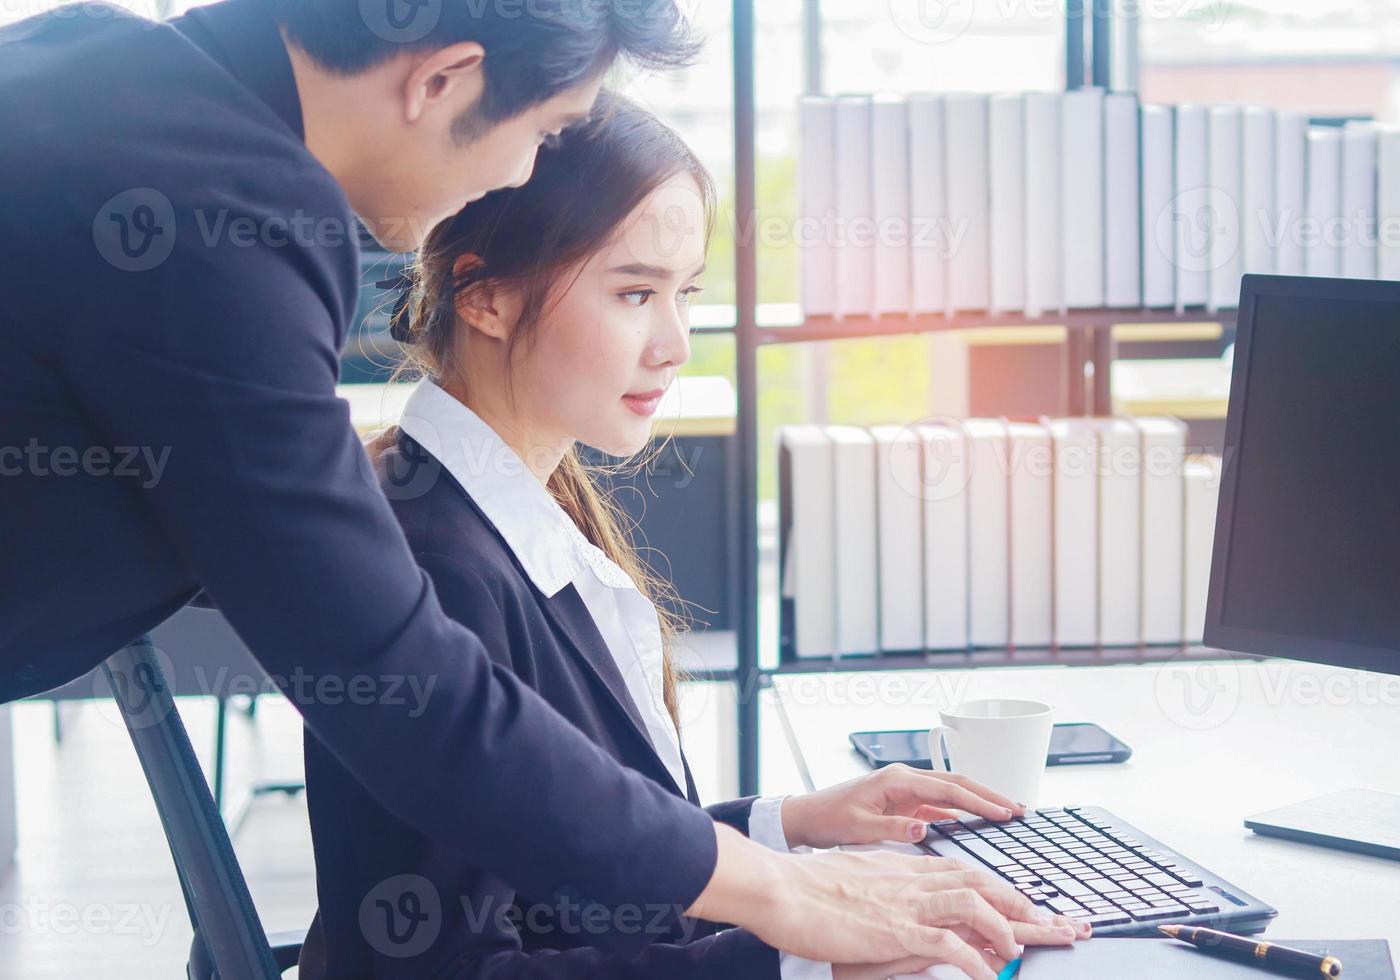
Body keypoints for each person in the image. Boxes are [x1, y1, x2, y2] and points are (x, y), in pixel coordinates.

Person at [0, 0, 1081, 969]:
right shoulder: (227, 219)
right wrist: (787, 908)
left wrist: (780, 834)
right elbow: (401, 684)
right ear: (440, 79)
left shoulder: (92, 59)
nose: (519, 175)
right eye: (545, 133)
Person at [301, 93, 1087, 980]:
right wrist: (794, 958)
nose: (676, 344)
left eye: (687, 295)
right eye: (636, 292)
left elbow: (564, 847)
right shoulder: (436, 569)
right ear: (486, 300)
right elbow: (437, 968)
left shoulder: (508, 506)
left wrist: (787, 824)